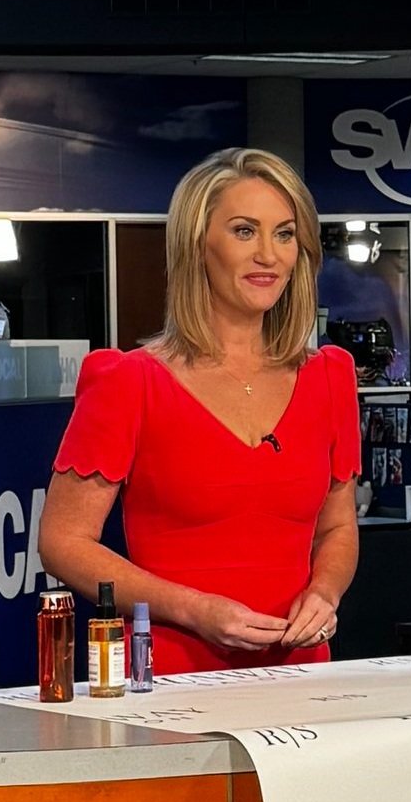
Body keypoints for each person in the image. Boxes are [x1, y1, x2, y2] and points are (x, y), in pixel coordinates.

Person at [40, 146, 360, 678]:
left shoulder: (330, 376)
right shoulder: (128, 381)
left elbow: (338, 527)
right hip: (174, 682)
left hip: (301, 676)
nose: (269, 255)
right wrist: (194, 610)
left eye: (284, 234)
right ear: (197, 244)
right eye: (244, 231)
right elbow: (62, 543)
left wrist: (324, 594)